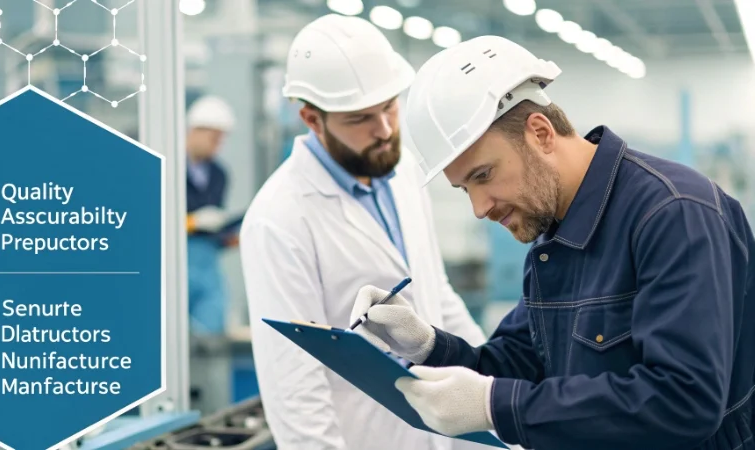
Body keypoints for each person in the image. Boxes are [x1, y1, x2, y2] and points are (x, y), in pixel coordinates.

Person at [350, 34, 755, 450]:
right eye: (464, 189)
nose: (478, 207)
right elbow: (519, 366)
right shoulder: (554, 236)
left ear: (541, 134)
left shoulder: (674, 214)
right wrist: (429, 345)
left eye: (484, 175)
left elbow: (683, 401)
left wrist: (497, 407)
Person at [239, 14, 491, 450]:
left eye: (389, 106)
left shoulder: (403, 171)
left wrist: (496, 392)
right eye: (360, 118)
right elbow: (294, 382)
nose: (386, 130)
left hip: (433, 436)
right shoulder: (279, 218)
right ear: (312, 119)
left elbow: (436, 294)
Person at [185, 95, 238, 335]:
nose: (217, 145)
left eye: (221, 140)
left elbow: (216, 223)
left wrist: (228, 236)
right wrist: (191, 222)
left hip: (207, 260)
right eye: (213, 138)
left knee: (210, 325)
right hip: (173, 258)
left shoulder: (219, 174)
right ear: (194, 131)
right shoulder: (167, 167)